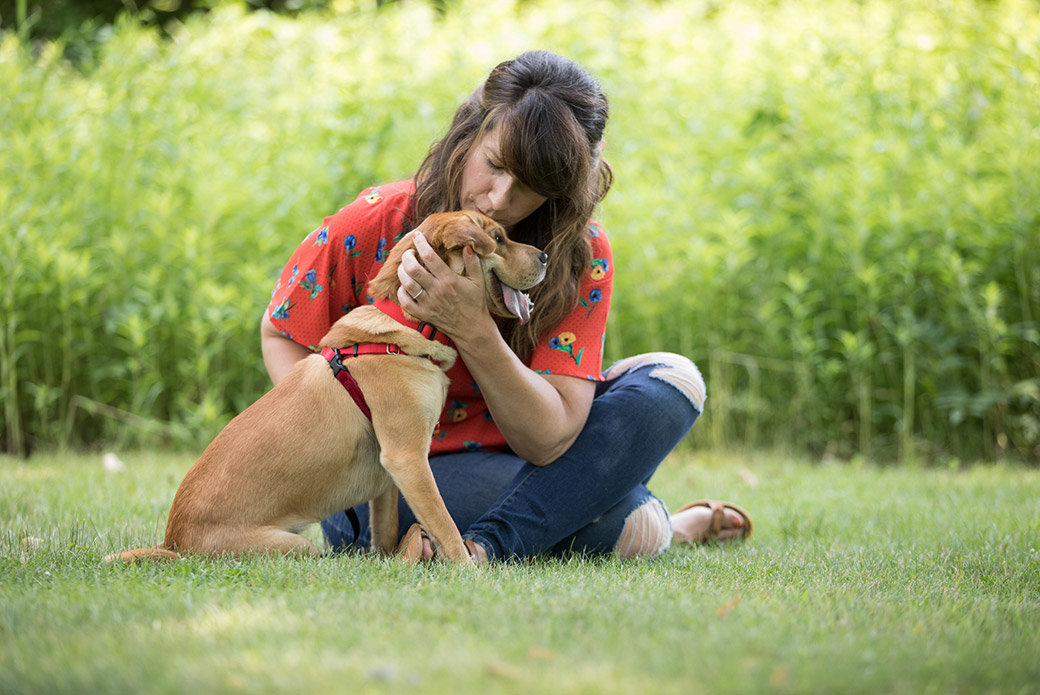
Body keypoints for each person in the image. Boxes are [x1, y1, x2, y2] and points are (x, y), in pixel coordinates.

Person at [260, 50, 751, 564]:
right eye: (493, 165)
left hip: (521, 460)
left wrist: (472, 328)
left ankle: (480, 548)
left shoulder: (577, 253)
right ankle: (635, 522)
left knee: (673, 381)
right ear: (470, 131)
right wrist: (344, 437)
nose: (497, 199)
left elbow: (548, 442)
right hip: (391, 471)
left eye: (530, 187)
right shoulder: (380, 219)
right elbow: (282, 332)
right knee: (633, 523)